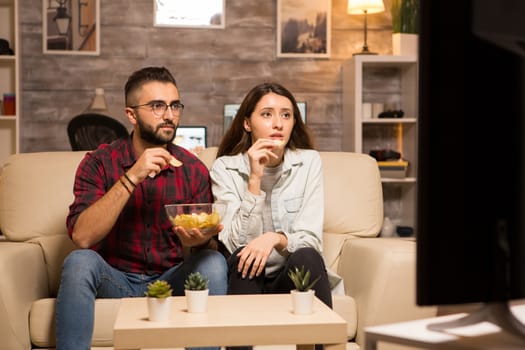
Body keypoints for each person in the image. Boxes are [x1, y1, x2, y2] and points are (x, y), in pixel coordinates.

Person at [55, 66, 228, 350]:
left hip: (169, 279)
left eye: (175, 106)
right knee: (79, 262)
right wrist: (132, 176)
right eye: (157, 106)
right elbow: (83, 237)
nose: (169, 115)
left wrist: (199, 240)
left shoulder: (192, 169)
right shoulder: (99, 162)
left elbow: (204, 248)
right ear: (131, 114)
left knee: (214, 262)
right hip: (115, 278)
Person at [210, 82, 337, 350]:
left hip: (290, 277)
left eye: (286, 115)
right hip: (246, 277)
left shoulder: (309, 162)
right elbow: (234, 244)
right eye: (267, 114)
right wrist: (254, 179)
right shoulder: (225, 168)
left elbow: (312, 240)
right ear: (247, 123)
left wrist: (275, 238)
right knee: (244, 258)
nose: (278, 123)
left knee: (307, 256)